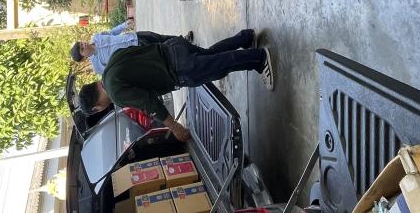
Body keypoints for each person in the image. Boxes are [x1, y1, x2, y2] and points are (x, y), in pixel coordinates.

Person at [75, 30, 274, 143]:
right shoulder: (110, 64)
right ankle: (246, 37)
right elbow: (139, 49)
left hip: (178, 70)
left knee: (219, 65)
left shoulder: (116, 93)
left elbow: (149, 102)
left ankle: (259, 59)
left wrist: (174, 126)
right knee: (212, 55)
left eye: (99, 110)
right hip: (172, 48)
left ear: (96, 107)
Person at [70, 21, 189, 76]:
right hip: (136, 51)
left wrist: (124, 25)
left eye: (81, 44)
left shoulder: (96, 37)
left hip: (133, 37)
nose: (84, 45)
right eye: (81, 49)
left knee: (160, 37)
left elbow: (112, 33)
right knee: (163, 48)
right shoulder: (98, 66)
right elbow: (114, 70)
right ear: (83, 58)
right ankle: (183, 48)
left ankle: (183, 39)